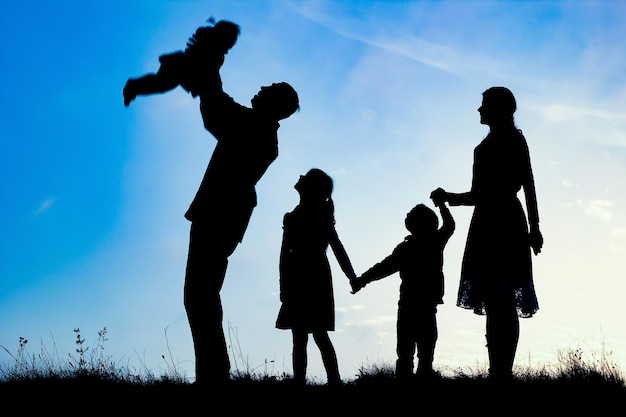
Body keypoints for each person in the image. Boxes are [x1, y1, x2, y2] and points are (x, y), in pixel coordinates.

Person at [180, 38, 300, 383]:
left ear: (276, 104)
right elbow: (217, 107)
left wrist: (211, 64)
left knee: (199, 295)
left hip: (219, 215)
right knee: (201, 295)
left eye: (271, 88)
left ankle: (214, 376)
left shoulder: (256, 128)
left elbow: (216, 109)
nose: (262, 87)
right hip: (222, 216)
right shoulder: (256, 127)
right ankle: (214, 373)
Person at [430, 86, 543, 381]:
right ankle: (498, 370)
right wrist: (451, 197)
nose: (479, 111)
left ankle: (502, 370)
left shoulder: (515, 141)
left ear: (499, 108)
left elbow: (528, 185)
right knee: (495, 300)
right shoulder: (481, 149)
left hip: (506, 223)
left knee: (504, 300)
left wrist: (535, 228)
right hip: (488, 224)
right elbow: (478, 194)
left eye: (484, 105)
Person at [351, 199, 455, 380]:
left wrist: (363, 280)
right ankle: (422, 373)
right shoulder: (433, 242)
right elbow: (450, 225)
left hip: (410, 302)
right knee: (424, 343)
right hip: (423, 302)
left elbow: (383, 267)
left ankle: (409, 376)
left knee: (409, 345)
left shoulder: (410, 247)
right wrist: (441, 205)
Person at [275, 168, 358, 387]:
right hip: (310, 275)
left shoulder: (310, 216)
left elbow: (285, 255)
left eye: (305, 177)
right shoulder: (302, 216)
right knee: (306, 335)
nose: (300, 178)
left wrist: (352, 276)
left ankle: (327, 380)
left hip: (307, 276)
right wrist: (352, 276)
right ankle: (324, 380)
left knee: (309, 334)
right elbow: (285, 255)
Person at [122, 18, 240, 106]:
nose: (231, 44)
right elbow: (203, 39)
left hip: (185, 69)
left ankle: (133, 87)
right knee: (161, 83)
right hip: (180, 65)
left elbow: (210, 73)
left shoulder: (217, 54)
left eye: (232, 42)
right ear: (222, 35)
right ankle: (132, 86)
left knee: (161, 84)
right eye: (231, 40)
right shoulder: (211, 43)